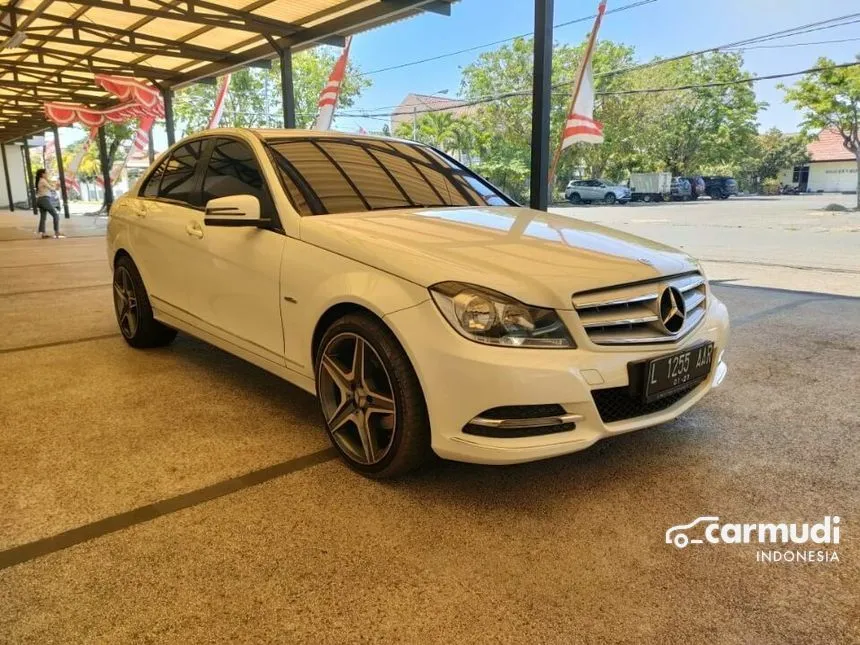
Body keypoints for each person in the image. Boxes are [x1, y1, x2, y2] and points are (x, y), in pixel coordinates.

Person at [34, 168, 64, 239]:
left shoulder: (40, 181)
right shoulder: (43, 180)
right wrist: (57, 187)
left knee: (43, 217)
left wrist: (56, 186)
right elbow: (52, 188)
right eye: (46, 173)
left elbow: (50, 187)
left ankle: (43, 234)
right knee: (55, 215)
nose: (47, 174)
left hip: (40, 200)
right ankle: (57, 232)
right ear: (42, 174)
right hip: (44, 200)